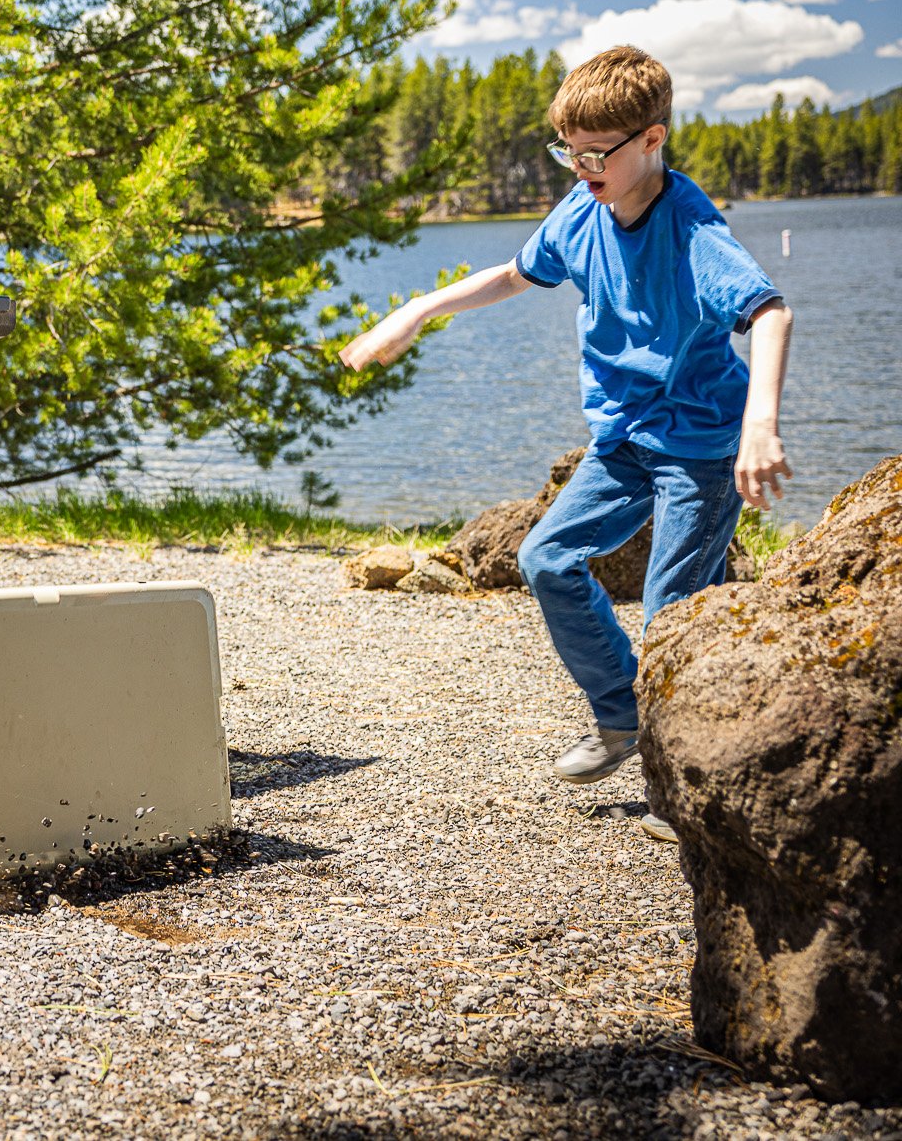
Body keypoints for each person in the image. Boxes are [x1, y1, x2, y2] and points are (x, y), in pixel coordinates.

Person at [338, 46, 793, 842]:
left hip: (699, 443)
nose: (580, 167)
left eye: (596, 153)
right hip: (620, 440)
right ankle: (622, 717)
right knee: (547, 558)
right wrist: (412, 312)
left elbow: (770, 313)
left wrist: (760, 425)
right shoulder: (580, 213)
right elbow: (514, 275)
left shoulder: (691, 227)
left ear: (652, 141)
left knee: (672, 610)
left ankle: (682, 785)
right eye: (567, 151)